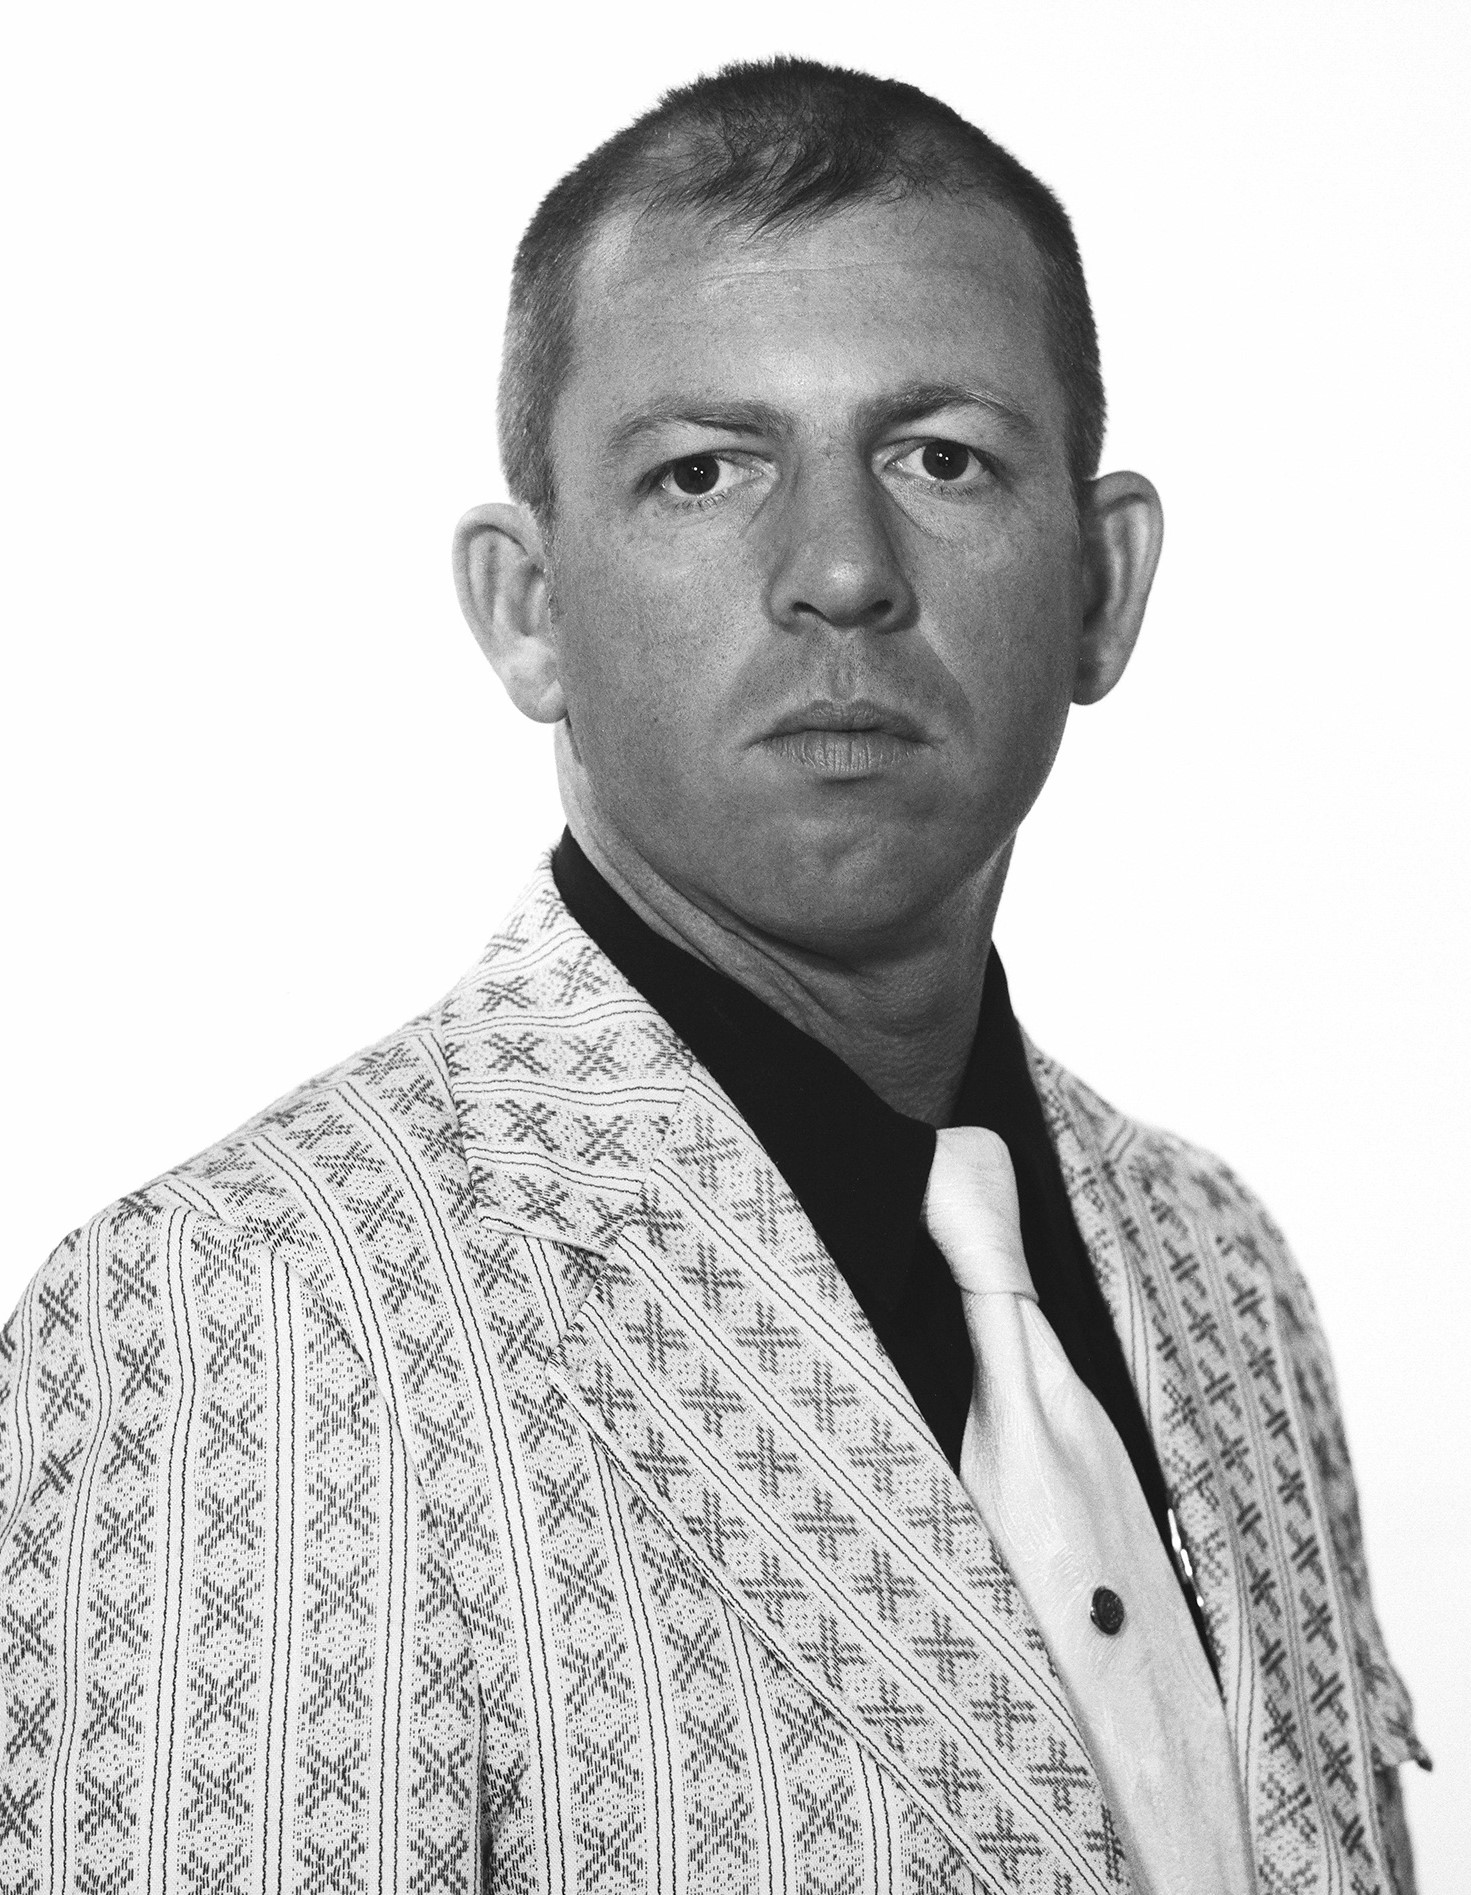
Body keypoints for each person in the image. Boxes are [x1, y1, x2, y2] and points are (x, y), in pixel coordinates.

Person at [0, 55, 1425, 1895]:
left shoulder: (1223, 1272)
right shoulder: (261, 1319)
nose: (840, 570)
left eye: (941, 457)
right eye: (701, 471)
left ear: (1102, 582)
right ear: (530, 610)